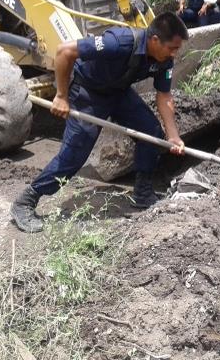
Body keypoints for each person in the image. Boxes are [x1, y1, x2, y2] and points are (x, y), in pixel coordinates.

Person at [10, 12, 188, 233]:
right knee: (74, 156)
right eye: (173, 48)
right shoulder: (119, 42)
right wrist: (62, 96)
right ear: (154, 41)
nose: (175, 53)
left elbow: (164, 97)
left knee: (150, 132)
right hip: (88, 92)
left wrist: (173, 135)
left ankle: (143, 193)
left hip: (118, 93)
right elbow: (65, 51)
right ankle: (26, 201)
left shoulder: (164, 60)